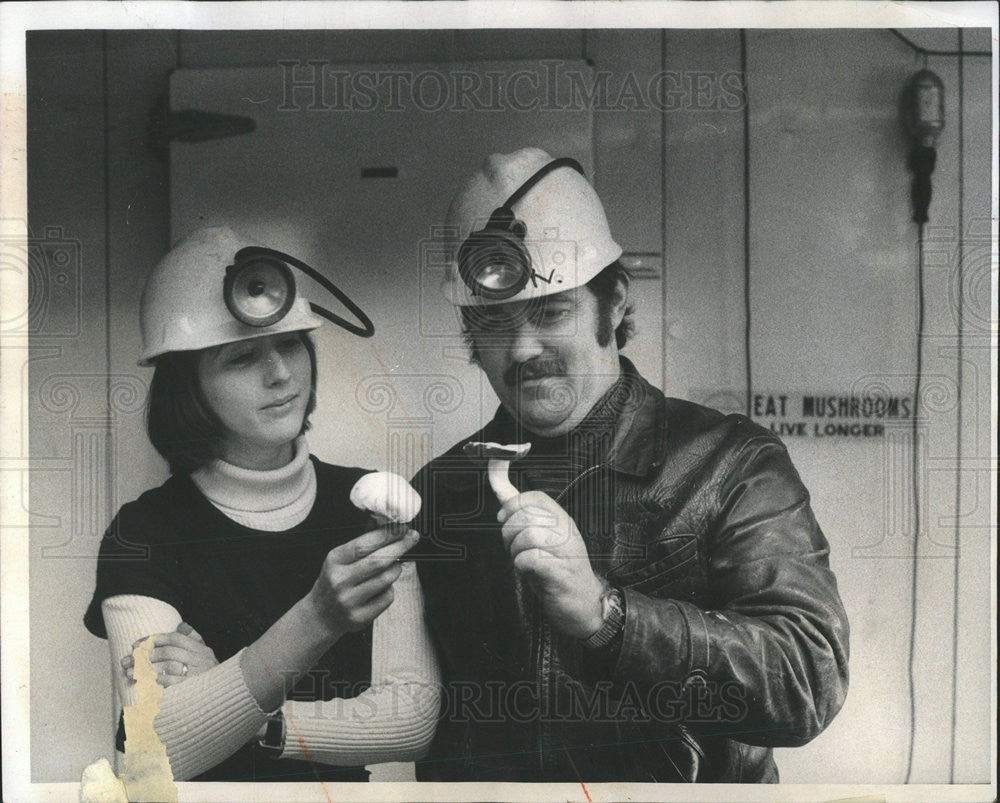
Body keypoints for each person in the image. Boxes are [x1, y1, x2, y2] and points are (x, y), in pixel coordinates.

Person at [411, 148, 849, 782]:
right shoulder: (444, 491)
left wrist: (607, 618)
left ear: (613, 302)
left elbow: (808, 680)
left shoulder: (734, 464)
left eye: (551, 311)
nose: (523, 348)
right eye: (493, 322)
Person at [84, 226, 439, 783]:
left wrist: (238, 700)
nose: (280, 373)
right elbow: (153, 751)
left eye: (291, 343)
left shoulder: (368, 505)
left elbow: (411, 720)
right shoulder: (146, 531)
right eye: (243, 357)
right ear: (189, 387)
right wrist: (317, 619)